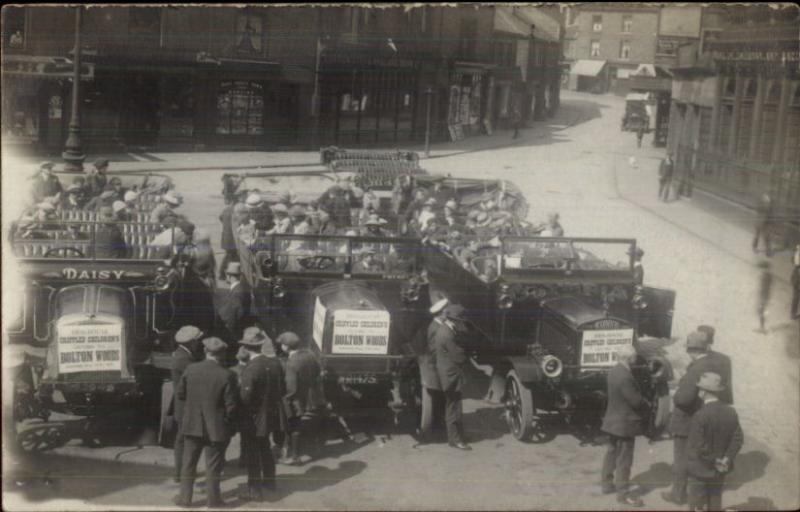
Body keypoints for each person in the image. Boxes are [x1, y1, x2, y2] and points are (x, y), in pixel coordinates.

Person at [173, 337, 238, 509]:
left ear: (205, 351)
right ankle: (214, 501)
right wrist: (227, 424)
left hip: (192, 425)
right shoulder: (227, 375)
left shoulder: (191, 369)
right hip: (216, 428)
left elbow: (180, 394)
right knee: (213, 467)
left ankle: (185, 500)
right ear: (222, 354)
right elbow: (231, 406)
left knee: (188, 464)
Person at [662, 331, 716, 506]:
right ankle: (696, 493)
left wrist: (675, 394)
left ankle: (677, 495)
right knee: (693, 457)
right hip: (699, 418)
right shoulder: (709, 363)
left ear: (692, 350)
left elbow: (683, 399)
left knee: (681, 459)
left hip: (685, 421)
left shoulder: (695, 368)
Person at [238, 327, 284, 501]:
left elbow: (245, 397)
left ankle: (254, 491)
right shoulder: (275, 363)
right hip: (272, 414)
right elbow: (282, 389)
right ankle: (270, 482)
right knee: (265, 448)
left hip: (254, 417)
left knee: (252, 452)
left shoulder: (251, 368)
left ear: (246, 347)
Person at [686, 372, 743, 512]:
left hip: (701, 468)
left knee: (696, 502)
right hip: (721, 468)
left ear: (704, 392)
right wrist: (726, 459)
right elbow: (738, 438)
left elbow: (699, 446)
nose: (698, 391)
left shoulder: (700, 415)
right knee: (715, 498)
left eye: (700, 388)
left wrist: (715, 460)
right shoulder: (730, 411)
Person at [600, 344, 648, 507]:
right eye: (634, 356)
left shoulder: (613, 371)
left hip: (613, 421)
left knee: (612, 453)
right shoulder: (626, 376)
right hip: (625, 424)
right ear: (629, 358)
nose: (636, 359)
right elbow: (635, 401)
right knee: (624, 460)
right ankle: (624, 494)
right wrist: (646, 402)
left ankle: (606, 484)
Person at [278, 331, 326, 465]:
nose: (281, 346)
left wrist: (284, 400)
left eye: (282, 344)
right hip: (309, 396)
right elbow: (317, 371)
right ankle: (294, 453)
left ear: (286, 346)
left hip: (296, 399)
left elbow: (291, 388)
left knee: (292, 427)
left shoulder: (291, 363)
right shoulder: (310, 355)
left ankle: (294, 456)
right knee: (299, 424)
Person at [431, 303, 471, 450]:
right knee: (453, 408)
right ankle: (455, 440)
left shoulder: (446, 329)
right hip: (451, 376)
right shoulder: (447, 334)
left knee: (455, 406)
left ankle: (458, 436)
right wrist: (465, 351)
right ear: (456, 320)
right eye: (461, 321)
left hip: (450, 374)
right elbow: (458, 357)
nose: (463, 323)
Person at [171, 325, 203, 484]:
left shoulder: (183, 355)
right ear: (191, 342)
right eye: (198, 341)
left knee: (182, 439)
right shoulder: (184, 359)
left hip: (182, 405)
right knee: (184, 440)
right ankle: (182, 474)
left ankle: (181, 472)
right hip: (186, 406)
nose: (200, 343)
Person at [696, 325, 733, 405]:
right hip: (715, 405)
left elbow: (726, 388)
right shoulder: (724, 359)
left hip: (703, 405)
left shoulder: (698, 358)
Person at [218, 261, 251, 342]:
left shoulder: (236, 292)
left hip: (234, 334)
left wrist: (229, 332)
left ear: (229, 276)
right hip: (241, 330)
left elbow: (236, 314)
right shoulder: (242, 288)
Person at [219, 200, 239, 280]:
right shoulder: (235, 211)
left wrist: (225, 224)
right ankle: (225, 274)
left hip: (225, 236)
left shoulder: (226, 209)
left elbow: (220, 217)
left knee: (229, 255)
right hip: (232, 239)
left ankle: (224, 274)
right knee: (230, 256)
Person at [752, 193, 774, 257]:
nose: (768, 203)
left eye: (768, 202)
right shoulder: (761, 207)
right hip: (759, 223)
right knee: (757, 236)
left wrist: (771, 224)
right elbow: (758, 211)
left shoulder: (769, 208)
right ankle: (754, 247)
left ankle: (768, 252)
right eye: (766, 201)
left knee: (767, 238)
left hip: (765, 224)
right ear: (763, 201)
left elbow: (770, 216)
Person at [756, 259, 772, 333]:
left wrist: (761, 299)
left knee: (761, 311)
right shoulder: (768, 275)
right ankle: (762, 327)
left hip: (763, 296)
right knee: (761, 311)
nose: (760, 270)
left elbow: (764, 288)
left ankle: (762, 328)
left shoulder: (765, 276)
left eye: (761, 268)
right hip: (764, 296)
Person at [792, 245, 800, 320]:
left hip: (796, 277)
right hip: (797, 279)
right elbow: (796, 262)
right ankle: (793, 314)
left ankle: (793, 314)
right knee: (796, 296)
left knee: (796, 296)